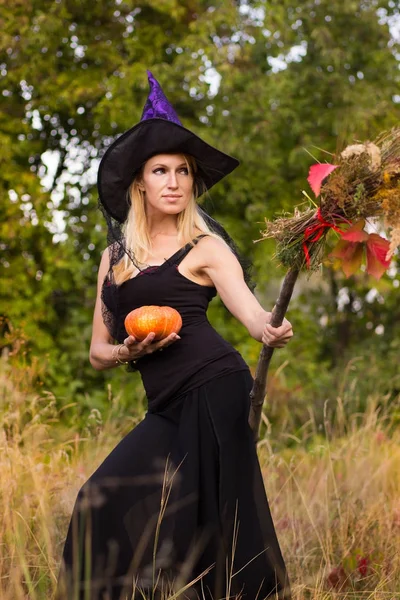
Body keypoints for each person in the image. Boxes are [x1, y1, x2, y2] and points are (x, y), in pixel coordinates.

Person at [57, 71, 293, 600]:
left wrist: (271, 329)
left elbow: (252, 317)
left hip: (215, 389)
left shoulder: (205, 247)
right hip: (164, 406)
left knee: (211, 527)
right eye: (160, 170)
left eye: (183, 171)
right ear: (139, 181)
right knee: (99, 500)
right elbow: (98, 352)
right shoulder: (113, 259)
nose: (173, 181)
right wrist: (128, 349)